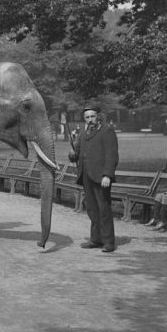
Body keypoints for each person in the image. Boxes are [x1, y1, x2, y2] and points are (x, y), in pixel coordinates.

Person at [68, 105, 119, 252]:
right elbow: (77, 154)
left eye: (93, 116)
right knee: (91, 209)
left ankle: (108, 242)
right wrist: (72, 154)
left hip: (101, 176)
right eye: (87, 117)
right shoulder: (83, 134)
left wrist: (107, 175)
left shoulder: (107, 131)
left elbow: (112, 154)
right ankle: (96, 239)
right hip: (85, 175)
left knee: (104, 209)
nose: (90, 120)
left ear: (98, 116)